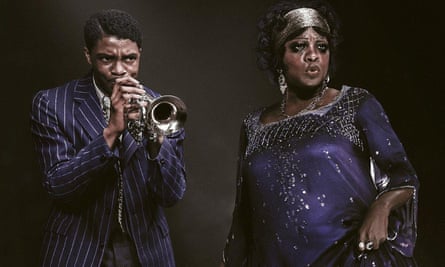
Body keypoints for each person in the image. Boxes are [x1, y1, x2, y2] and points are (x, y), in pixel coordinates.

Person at [221, 0, 419, 266]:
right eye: (299, 46)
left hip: (348, 258)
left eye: (321, 47)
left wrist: (381, 207)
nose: (312, 55)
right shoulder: (253, 125)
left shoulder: (355, 104)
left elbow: (402, 176)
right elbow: (244, 218)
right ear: (279, 58)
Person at [30, 9, 186, 266]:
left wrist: (156, 141)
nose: (120, 70)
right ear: (88, 55)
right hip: (79, 249)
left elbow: (171, 195)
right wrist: (112, 132)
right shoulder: (51, 103)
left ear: (139, 56)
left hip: (145, 252)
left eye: (129, 58)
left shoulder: (163, 109)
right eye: (106, 58)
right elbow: (59, 187)